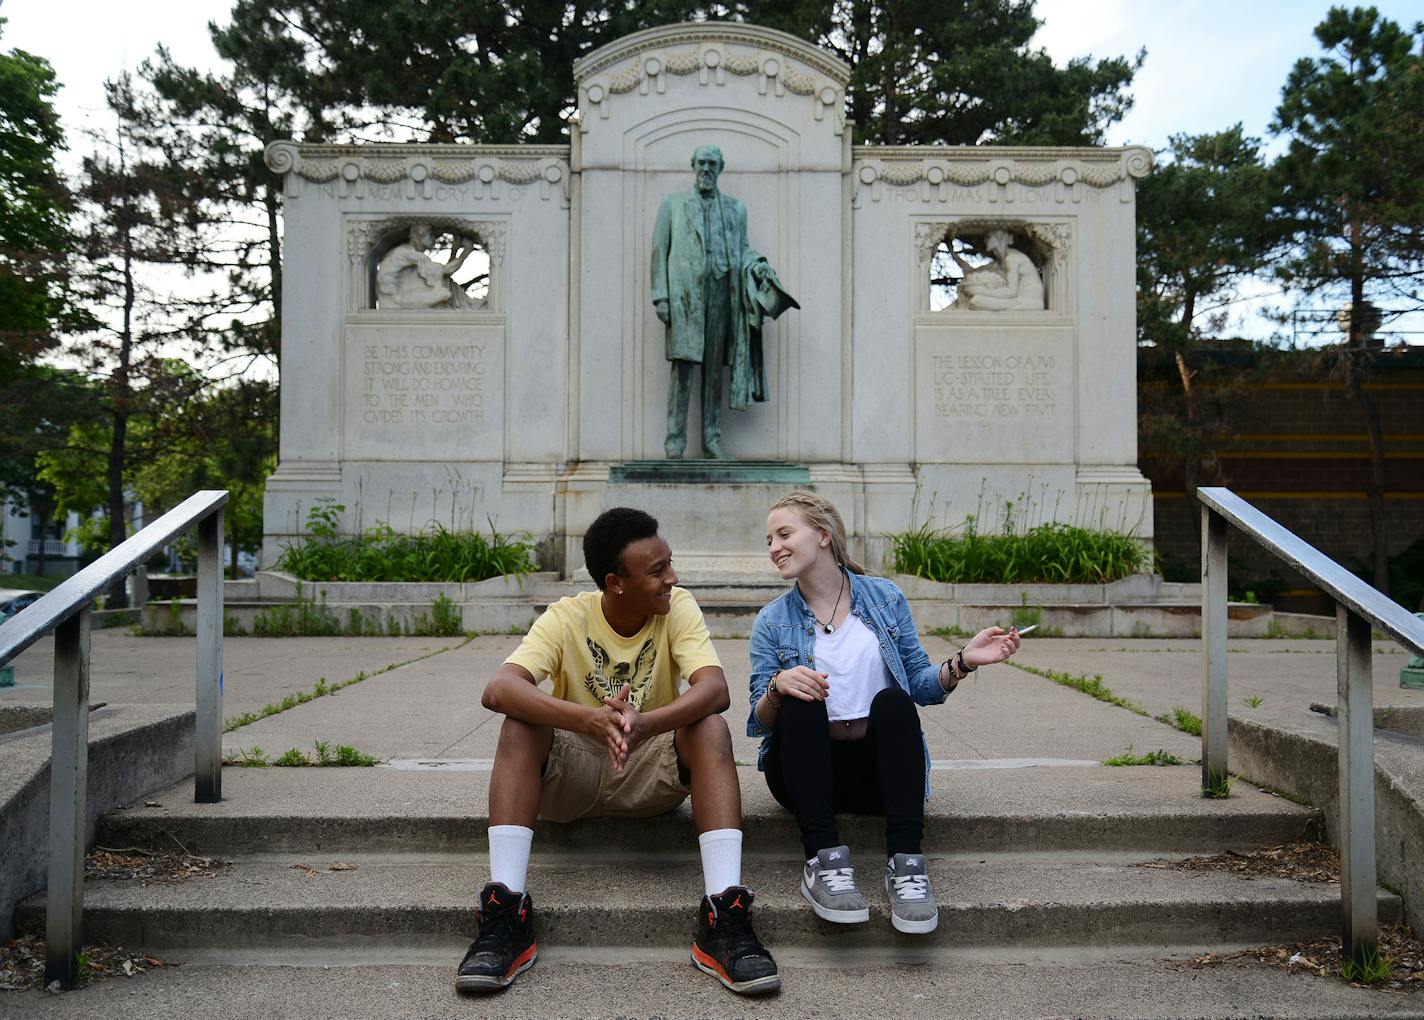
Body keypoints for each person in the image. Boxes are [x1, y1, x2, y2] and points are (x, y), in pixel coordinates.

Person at [457, 507, 779, 996]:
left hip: (651, 771)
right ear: (616, 582)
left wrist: (645, 723)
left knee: (710, 727)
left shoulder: (679, 607)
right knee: (520, 724)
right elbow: (499, 688)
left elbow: (715, 689)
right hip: (573, 775)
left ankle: (724, 916)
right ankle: (505, 911)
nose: (672, 578)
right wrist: (588, 718)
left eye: (669, 563)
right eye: (657, 571)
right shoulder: (567, 617)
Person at [747, 492, 1021, 933]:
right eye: (768, 540)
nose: (774, 547)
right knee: (800, 701)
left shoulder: (884, 598)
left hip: (875, 774)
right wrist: (778, 688)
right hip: (803, 774)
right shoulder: (771, 621)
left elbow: (920, 686)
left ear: (821, 535)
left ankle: (907, 867)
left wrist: (965, 660)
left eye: (784, 534)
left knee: (893, 702)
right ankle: (823, 862)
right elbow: (759, 722)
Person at [649, 145, 795, 460]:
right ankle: (674, 441)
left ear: (721, 168)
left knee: (715, 372)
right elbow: (659, 251)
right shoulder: (672, 205)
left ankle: (712, 440)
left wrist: (757, 264)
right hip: (684, 299)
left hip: (722, 298)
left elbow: (742, 248)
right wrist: (660, 296)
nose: (706, 168)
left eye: (712, 163)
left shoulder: (735, 209)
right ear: (692, 165)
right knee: (683, 369)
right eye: (701, 162)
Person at [376, 223, 481, 309]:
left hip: (396, 297)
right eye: (430, 235)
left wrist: (455, 249)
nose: (434, 239)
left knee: (448, 287)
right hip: (395, 301)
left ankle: (469, 305)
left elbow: (440, 272)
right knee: (445, 294)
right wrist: (466, 252)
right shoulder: (407, 253)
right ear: (419, 237)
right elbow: (446, 270)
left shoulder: (410, 254)